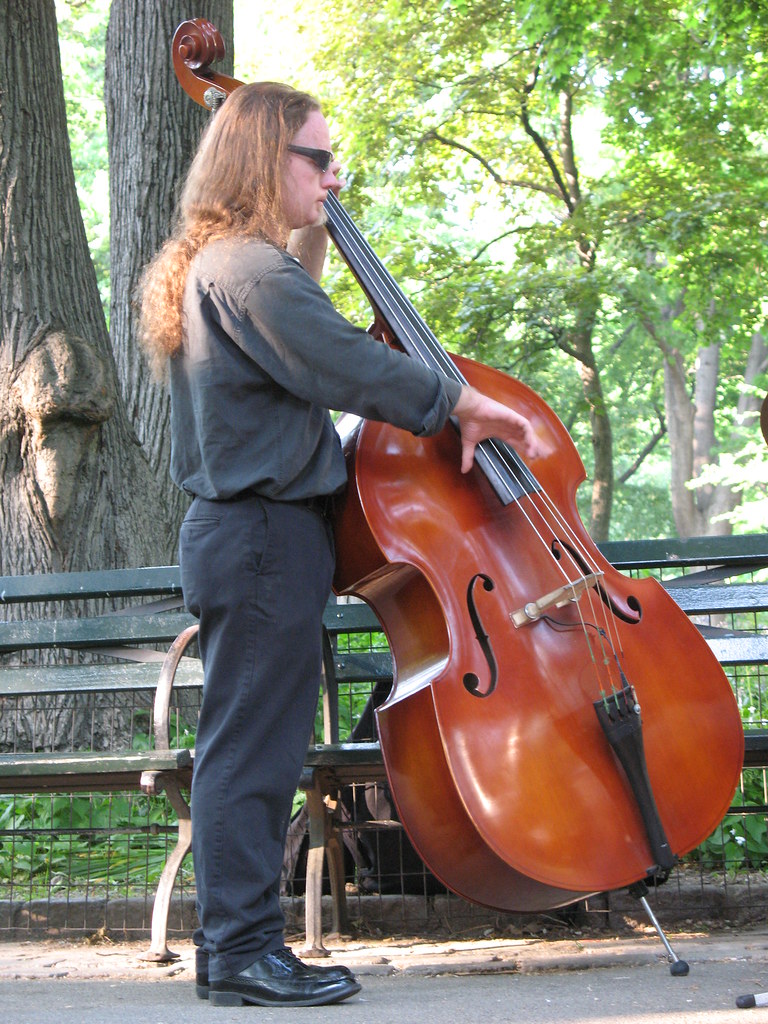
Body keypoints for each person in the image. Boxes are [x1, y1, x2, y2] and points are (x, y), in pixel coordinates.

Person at [137, 81, 538, 1009]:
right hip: (263, 538)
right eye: (316, 158)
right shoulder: (247, 269)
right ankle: (241, 952)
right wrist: (460, 401)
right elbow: (343, 362)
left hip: (256, 538)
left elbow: (303, 320)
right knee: (252, 753)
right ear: (262, 158)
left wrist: (317, 222)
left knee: (251, 746)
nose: (332, 174)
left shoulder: (234, 266)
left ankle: (234, 952)